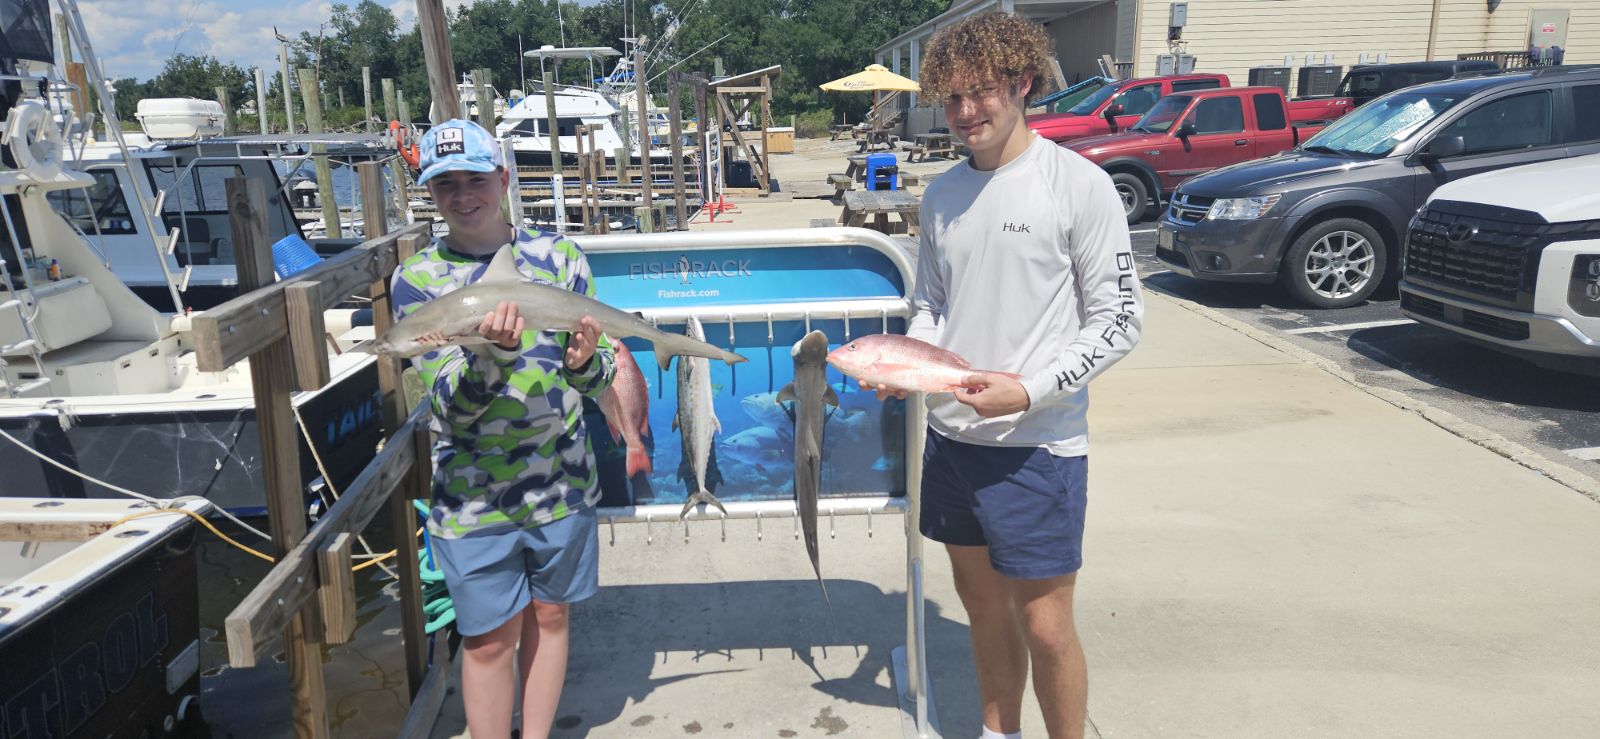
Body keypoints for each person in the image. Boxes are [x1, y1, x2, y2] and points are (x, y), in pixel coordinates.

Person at [869, 13, 1144, 739]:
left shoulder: (1079, 187)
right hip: (953, 442)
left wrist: (1029, 389)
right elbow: (931, 303)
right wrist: (911, 365)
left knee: (1047, 626)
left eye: (982, 92)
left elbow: (1119, 320)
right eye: (952, 98)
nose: (966, 113)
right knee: (981, 608)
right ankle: (1000, 731)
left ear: (1023, 83)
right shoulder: (941, 197)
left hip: (1038, 445)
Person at [390, 119, 615, 739]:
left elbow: (598, 381)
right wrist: (493, 358)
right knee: (487, 640)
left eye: (475, 180)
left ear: (504, 180)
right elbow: (444, 407)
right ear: (429, 195)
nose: (463, 196)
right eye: (445, 186)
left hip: (564, 479)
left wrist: (586, 362)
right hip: (472, 494)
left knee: (550, 615)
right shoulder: (417, 281)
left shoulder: (561, 258)